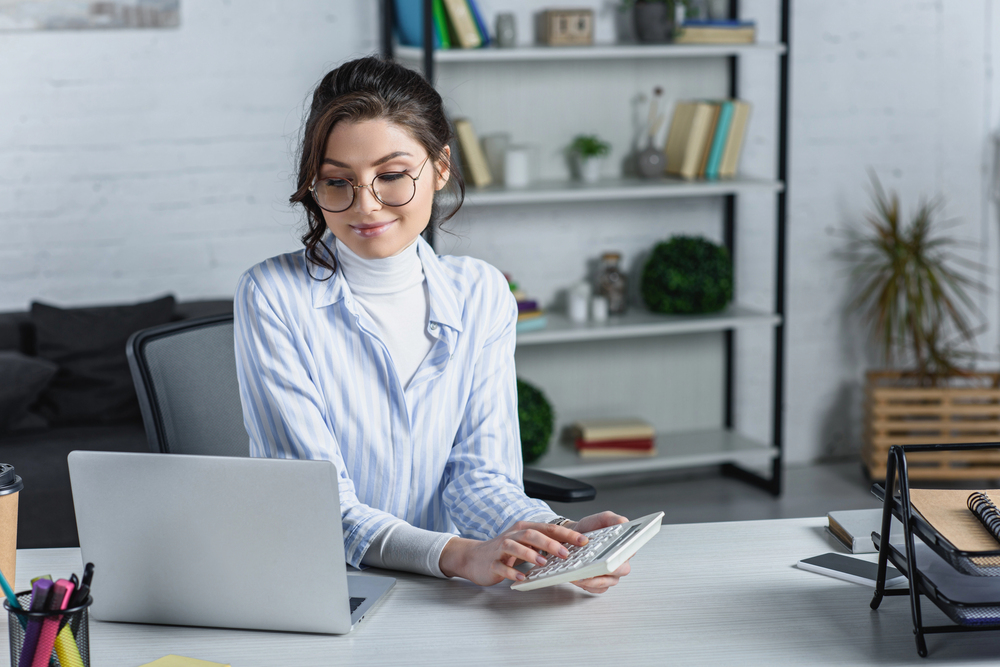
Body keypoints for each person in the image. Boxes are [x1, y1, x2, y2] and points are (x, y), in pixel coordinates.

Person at [234, 56, 631, 593]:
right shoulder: (273, 295)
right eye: (336, 181)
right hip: (324, 588)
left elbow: (479, 477)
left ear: (440, 167)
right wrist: (460, 555)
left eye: (392, 175)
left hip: (446, 590)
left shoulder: (482, 294)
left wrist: (557, 538)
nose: (366, 205)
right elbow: (319, 505)